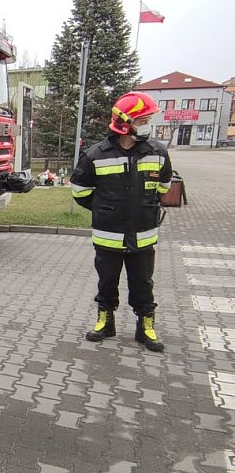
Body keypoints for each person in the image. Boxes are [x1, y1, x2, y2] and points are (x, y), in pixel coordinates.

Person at [71, 91, 172, 352]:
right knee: (107, 282)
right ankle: (105, 322)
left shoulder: (158, 152)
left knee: (143, 283)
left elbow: (164, 186)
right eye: (143, 120)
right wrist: (105, 208)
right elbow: (79, 191)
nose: (148, 124)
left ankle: (146, 327)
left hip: (143, 235)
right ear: (126, 123)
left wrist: (144, 206)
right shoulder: (96, 155)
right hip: (108, 235)